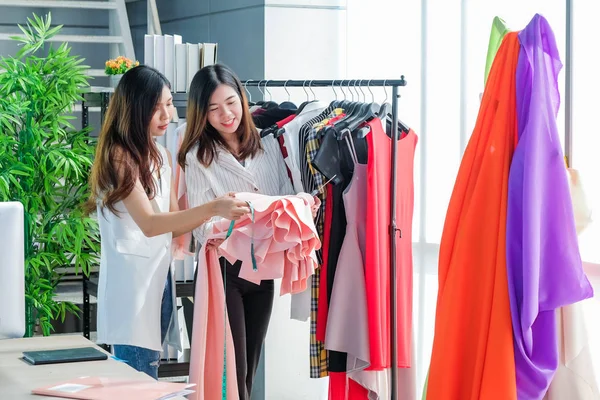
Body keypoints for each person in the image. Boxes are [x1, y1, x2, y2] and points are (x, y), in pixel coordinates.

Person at [85, 65, 250, 379]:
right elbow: (149, 223)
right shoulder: (119, 157)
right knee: (138, 379)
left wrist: (218, 210)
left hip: (160, 279)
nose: (166, 114)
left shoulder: (160, 155)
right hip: (131, 288)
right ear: (134, 109)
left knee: (150, 372)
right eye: (155, 107)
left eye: (169, 104)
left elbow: (176, 224)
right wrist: (214, 206)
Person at [178, 64, 304, 400]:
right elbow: (202, 227)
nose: (226, 114)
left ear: (243, 100)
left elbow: (283, 195)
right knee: (231, 369)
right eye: (213, 109)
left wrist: (292, 206)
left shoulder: (267, 145)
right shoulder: (197, 156)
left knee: (250, 365)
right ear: (201, 115)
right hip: (226, 267)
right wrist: (226, 218)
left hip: (263, 269)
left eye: (231, 102)